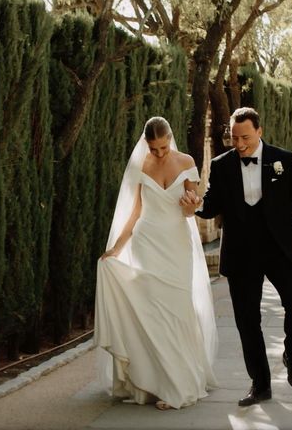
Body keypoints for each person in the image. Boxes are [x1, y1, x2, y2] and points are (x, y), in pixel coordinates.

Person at [180, 107, 292, 407]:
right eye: (234, 138)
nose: (240, 144)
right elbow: (210, 205)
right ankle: (260, 385)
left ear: (259, 131)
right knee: (248, 322)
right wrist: (193, 205)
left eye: (245, 137)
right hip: (241, 253)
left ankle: (291, 354)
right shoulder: (222, 166)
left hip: (279, 249)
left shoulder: (282, 160)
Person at [94, 116, 218, 411]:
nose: (159, 153)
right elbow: (136, 211)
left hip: (176, 245)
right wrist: (115, 249)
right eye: (153, 148)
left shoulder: (186, 161)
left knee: (177, 310)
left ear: (170, 139)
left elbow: (193, 207)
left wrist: (193, 206)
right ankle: (155, 383)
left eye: (162, 147)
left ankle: (180, 381)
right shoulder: (141, 165)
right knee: (152, 314)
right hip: (146, 242)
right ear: (147, 144)